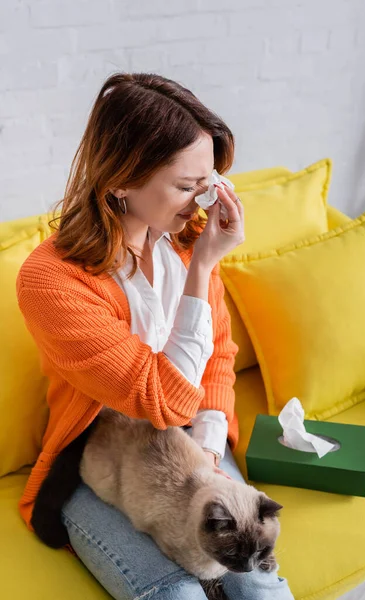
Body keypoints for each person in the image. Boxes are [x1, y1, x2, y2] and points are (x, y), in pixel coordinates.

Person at [16, 72, 294, 600]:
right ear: (121, 180)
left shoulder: (186, 240)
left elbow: (217, 359)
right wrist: (204, 268)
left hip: (190, 445)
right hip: (101, 456)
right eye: (187, 187)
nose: (203, 204)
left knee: (257, 584)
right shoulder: (50, 280)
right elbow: (161, 399)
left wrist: (208, 455)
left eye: (208, 184)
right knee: (175, 593)